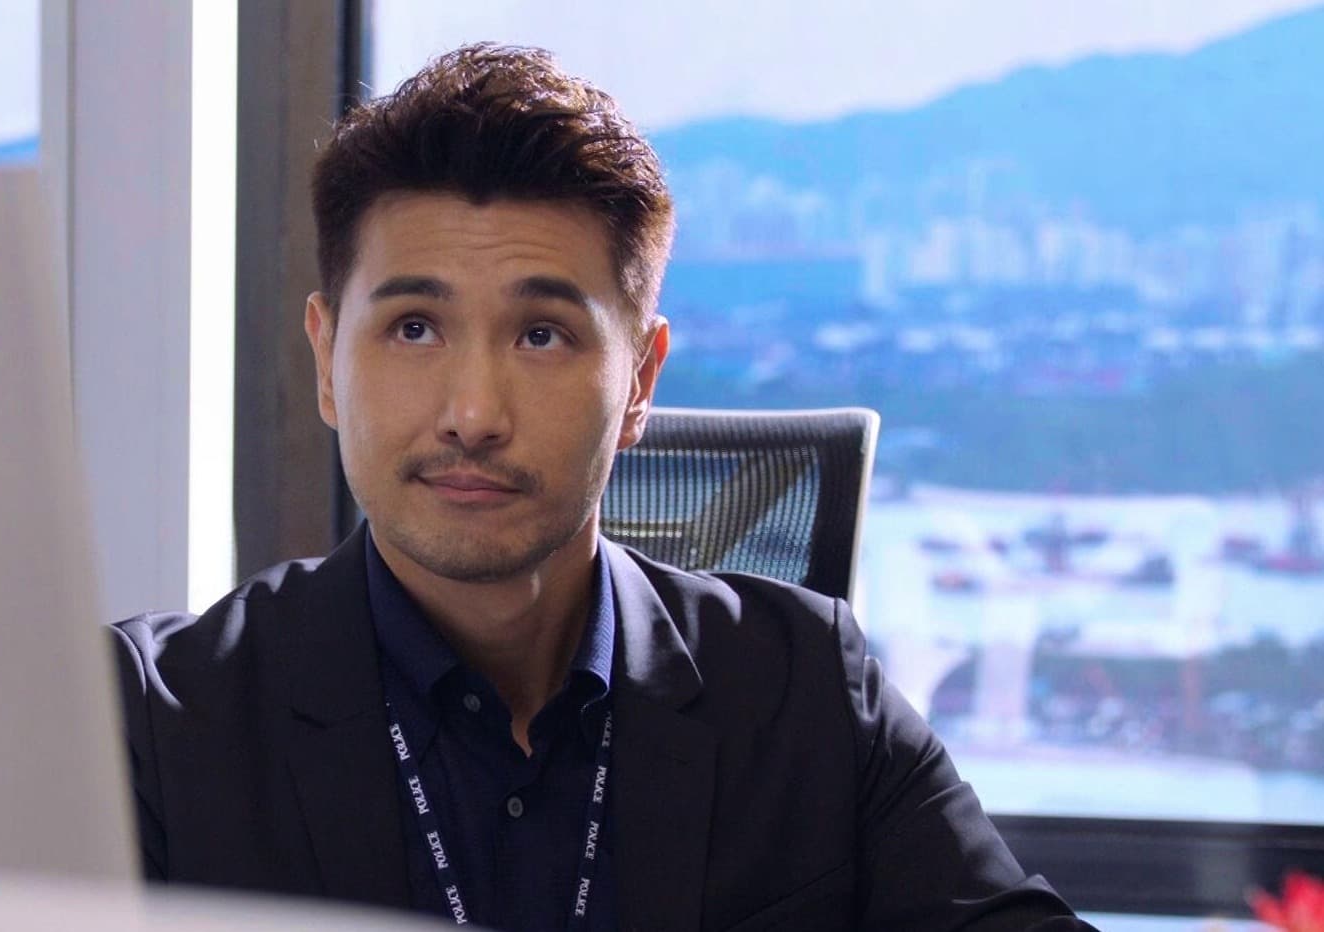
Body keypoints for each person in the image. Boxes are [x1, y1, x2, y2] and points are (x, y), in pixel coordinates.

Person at [111, 42, 1094, 931]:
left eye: (542, 335)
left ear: (640, 383)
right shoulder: (158, 726)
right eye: (413, 327)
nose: (472, 413)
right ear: (327, 359)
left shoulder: (803, 693)